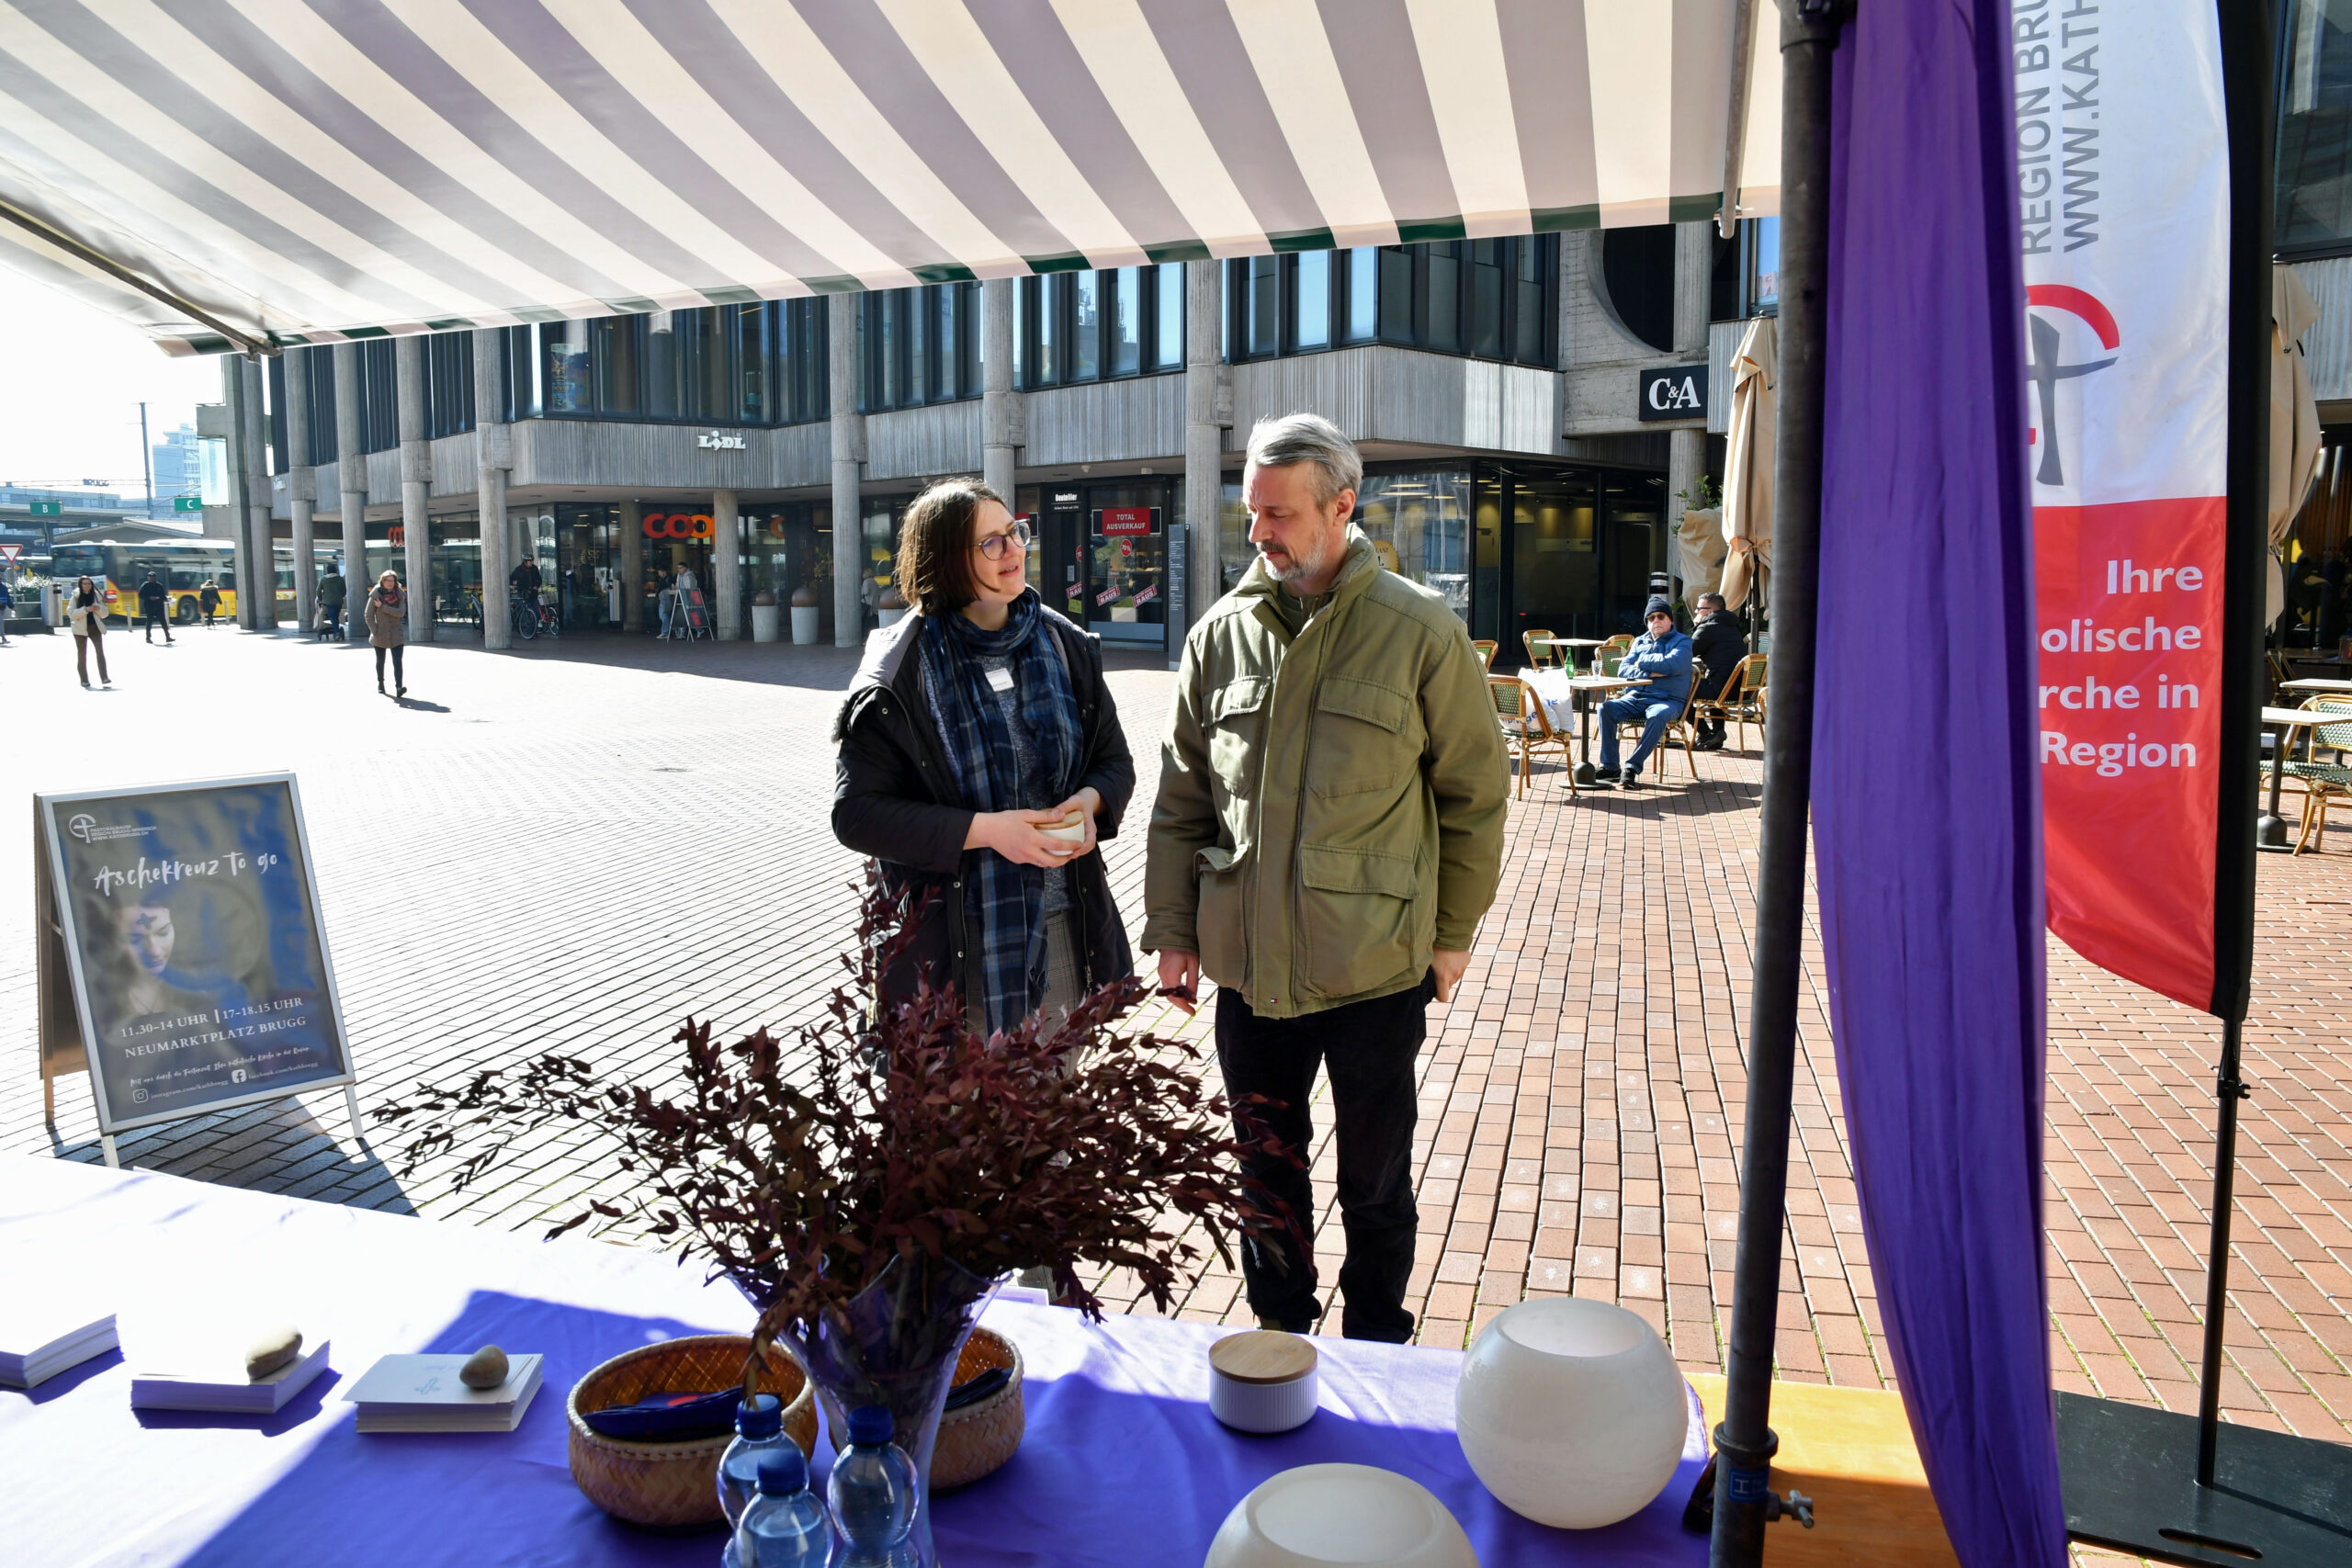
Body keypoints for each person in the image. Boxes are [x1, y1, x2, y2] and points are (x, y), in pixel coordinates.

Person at [1146, 413, 1508, 1343]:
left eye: (1279, 513)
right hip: (1250, 973)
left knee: (1375, 1179)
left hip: (1375, 972)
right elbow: (1183, 800)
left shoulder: (1420, 631)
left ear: (1342, 506)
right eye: (1252, 511)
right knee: (1264, 1173)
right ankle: (1280, 1336)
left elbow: (1473, 796)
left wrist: (1452, 935)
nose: (1258, 531)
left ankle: (1377, 1339)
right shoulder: (1218, 637)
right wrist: (1174, 931)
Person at [833, 479, 1136, 1040]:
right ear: (946, 559)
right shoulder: (900, 670)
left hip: (1063, 927)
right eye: (990, 542)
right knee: (957, 1097)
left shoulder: (1064, 644)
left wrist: (1089, 802)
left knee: (1056, 1092)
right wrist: (987, 831)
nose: (1014, 549)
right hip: (950, 947)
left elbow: (1114, 761)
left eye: (1015, 533)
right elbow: (857, 814)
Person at [1595, 598, 1693, 786]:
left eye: (1660, 616)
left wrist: (1641, 662)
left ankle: (1632, 767)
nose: (1656, 620)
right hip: (1634, 698)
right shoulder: (1640, 641)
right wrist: (1652, 671)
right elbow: (1623, 669)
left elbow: (1673, 665)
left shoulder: (1683, 641)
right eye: (1651, 618)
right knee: (1605, 708)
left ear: (1670, 620)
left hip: (1667, 700)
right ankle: (1610, 767)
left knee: (1657, 715)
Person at [1688, 592, 1747, 750]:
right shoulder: (1731, 626)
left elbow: (1686, 652)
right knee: (1712, 677)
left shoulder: (1708, 627)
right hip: (1740, 691)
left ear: (1709, 611)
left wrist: (1697, 625)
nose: (1696, 612)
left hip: (1722, 691)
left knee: (1678, 688)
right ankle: (1718, 732)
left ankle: (1705, 733)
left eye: (1698, 609)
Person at [365, 570, 408, 696]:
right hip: (380, 632)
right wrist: (375, 631)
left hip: (396, 632)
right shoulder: (376, 595)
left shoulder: (399, 594)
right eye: (387, 580)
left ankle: (399, 687)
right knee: (380, 661)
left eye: (392, 580)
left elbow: (400, 613)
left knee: (397, 661)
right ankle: (381, 683)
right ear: (382, 581)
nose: (390, 583)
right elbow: (368, 615)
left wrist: (382, 607)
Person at [67, 575, 110, 687]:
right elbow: (71, 613)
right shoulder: (76, 596)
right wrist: (86, 609)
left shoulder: (96, 596)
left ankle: (104, 677)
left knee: (100, 652)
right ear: (81, 585)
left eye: (89, 584)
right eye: (84, 584)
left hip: (95, 627)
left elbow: (105, 614)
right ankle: (84, 679)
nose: (87, 586)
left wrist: (98, 608)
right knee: (82, 654)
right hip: (80, 629)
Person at [137, 571, 174, 644]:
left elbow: (163, 596)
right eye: (150, 577)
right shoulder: (145, 585)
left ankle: (168, 637)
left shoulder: (159, 585)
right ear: (148, 578)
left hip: (159, 607)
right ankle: (148, 638)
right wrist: (149, 598)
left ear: (155, 578)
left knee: (163, 622)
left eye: (153, 577)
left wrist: (167, 599)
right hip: (149, 606)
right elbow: (140, 595)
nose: (151, 578)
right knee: (149, 623)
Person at [316, 565, 345, 638]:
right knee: (335, 617)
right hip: (338, 602)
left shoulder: (323, 579)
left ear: (327, 571)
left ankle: (337, 633)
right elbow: (344, 591)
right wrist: (340, 596)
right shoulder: (340, 579)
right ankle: (336, 631)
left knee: (333, 617)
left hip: (328, 602)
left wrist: (320, 599)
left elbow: (318, 591)